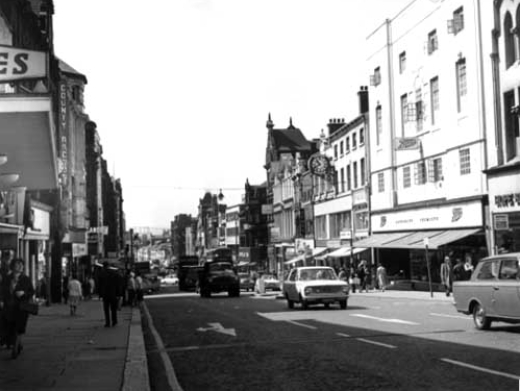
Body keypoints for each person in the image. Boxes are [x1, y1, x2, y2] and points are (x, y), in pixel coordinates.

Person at [0, 258, 35, 359]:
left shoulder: (26, 279)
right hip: (9, 307)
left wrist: (24, 293)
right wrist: (1, 300)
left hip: (21, 307)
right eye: (17, 264)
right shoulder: (7, 278)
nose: (20, 266)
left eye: (21, 265)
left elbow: (31, 291)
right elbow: (1, 290)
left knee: (19, 327)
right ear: (13, 266)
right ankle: (18, 343)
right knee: (10, 327)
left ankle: (15, 349)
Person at [97, 262, 122, 327]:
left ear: (103, 266)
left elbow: (99, 285)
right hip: (113, 293)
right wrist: (119, 294)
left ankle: (107, 322)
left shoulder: (101, 274)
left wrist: (100, 295)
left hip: (105, 294)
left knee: (106, 309)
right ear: (109, 266)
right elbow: (118, 284)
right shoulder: (115, 273)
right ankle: (114, 321)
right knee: (113, 308)